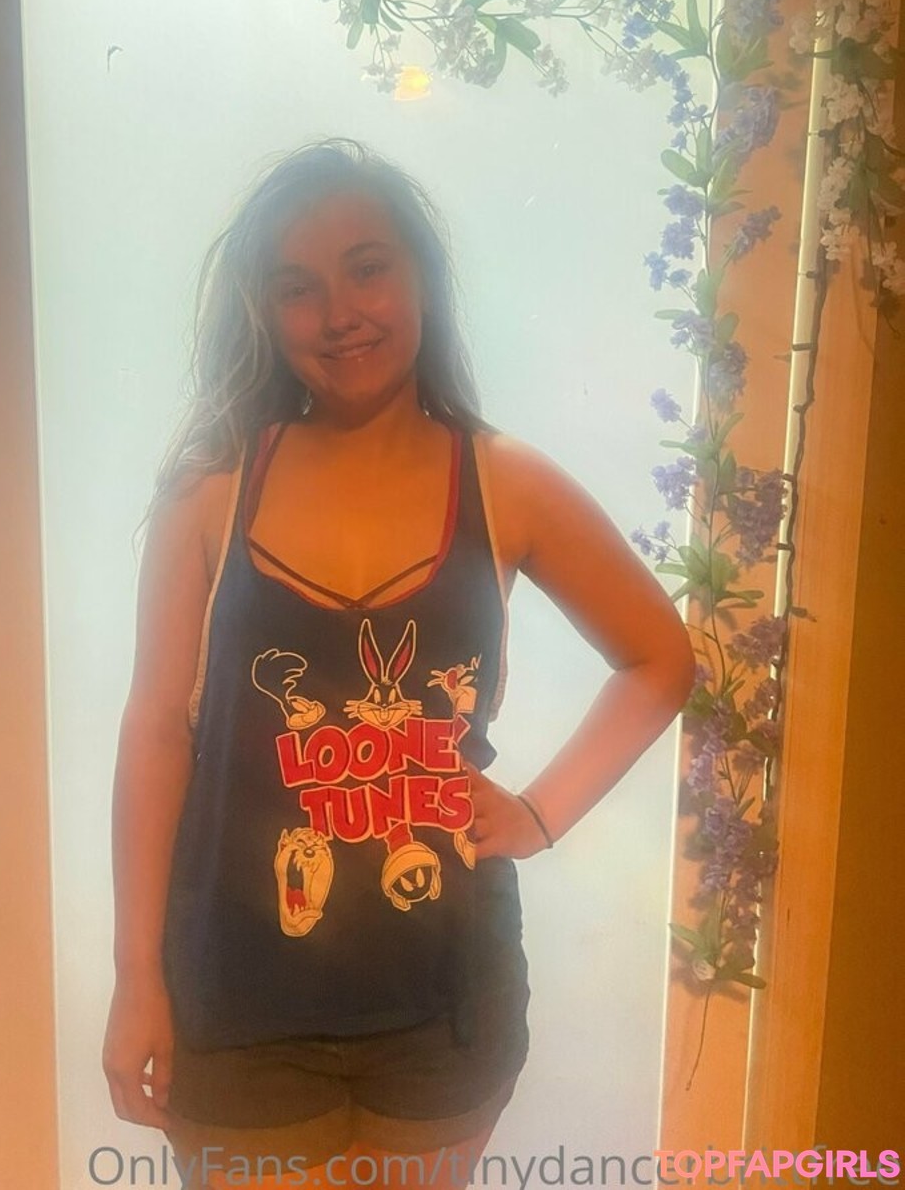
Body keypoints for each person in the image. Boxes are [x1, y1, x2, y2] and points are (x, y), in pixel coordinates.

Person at [102, 138, 696, 1188]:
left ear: (421, 274)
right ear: (264, 311)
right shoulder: (211, 489)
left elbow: (659, 659)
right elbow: (157, 731)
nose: (339, 313)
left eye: (367, 268)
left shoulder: (506, 483)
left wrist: (540, 812)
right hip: (235, 1008)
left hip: (446, 1007)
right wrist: (134, 975)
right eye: (298, 287)